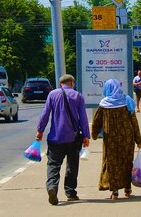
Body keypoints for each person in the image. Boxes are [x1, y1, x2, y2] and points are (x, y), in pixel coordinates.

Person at [36, 74, 90, 205]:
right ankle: (70, 193)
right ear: (71, 83)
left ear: (61, 84)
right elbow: (83, 117)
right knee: (72, 165)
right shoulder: (77, 96)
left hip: (55, 137)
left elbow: (45, 113)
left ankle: (52, 187)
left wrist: (40, 130)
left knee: (53, 165)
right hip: (73, 138)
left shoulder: (52, 95)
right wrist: (86, 136)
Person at [91, 79, 141, 200]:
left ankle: (115, 192)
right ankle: (127, 188)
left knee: (112, 164)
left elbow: (96, 122)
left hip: (111, 139)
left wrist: (93, 135)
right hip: (127, 138)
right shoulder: (127, 101)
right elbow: (134, 122)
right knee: (126, 162)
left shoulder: (104, 104)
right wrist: (139, 140)